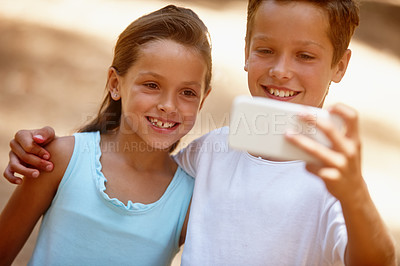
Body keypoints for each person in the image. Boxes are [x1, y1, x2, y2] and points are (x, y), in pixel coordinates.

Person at [3, 0, 397, 265]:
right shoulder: (208, 153)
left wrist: (354, 193)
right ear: (246, 50)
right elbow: (138, 167)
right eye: (265, 50)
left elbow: (376, 260)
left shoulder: (334, 182)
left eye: (305, 56)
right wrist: (43, 149)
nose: (280, 70)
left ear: (340, 66)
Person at [0, 4, 213, 266]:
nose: (169, 105)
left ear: (203, 100)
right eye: (151, 85)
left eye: (188, 92)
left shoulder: (190, 199)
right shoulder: (59, 159)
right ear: (115, 84)